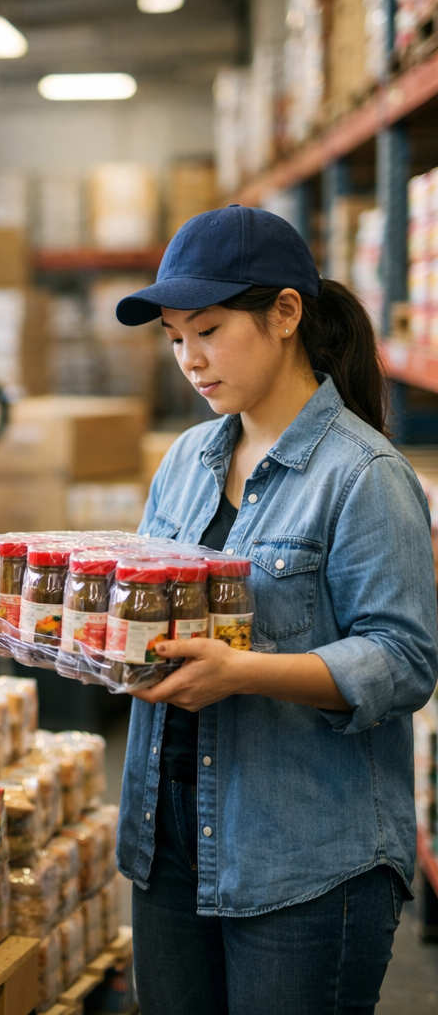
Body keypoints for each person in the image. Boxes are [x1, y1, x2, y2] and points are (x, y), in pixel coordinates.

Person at [113, 205, 438, 1014]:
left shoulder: (364, 475)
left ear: (285, 313)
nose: (190, 358)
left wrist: (242, 673)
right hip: (170, 839)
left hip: (304, 861)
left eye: (210, 331)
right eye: (175, 337)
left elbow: (403, 661)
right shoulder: (188, 459)